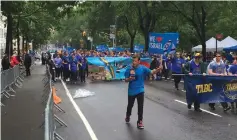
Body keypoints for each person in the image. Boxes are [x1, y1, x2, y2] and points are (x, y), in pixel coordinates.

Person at [124, 56, 161, 129]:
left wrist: (158, 70)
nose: (133, 63)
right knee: (130, 106)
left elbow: (151, 72)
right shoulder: (129, 68)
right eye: (133, 61)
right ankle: (128, 115)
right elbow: (125, 80)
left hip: (140, 90)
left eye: (135, 61)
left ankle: (140, 121)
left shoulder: (142, 68)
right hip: (131, 90)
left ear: (139, 61)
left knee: (140, 106)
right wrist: (129, 79)